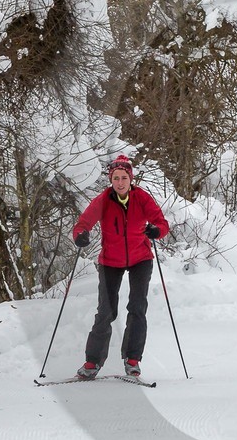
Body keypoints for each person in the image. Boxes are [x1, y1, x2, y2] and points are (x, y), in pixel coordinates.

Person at [72, 155, 170, 379]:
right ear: (111, 180)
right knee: (106, 311)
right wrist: (80, 235)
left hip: (140, 259)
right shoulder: (104, 200)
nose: (120, 182)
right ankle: (92, 362)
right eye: (115, 178)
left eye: (124, 177)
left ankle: (132, 359)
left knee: (137, 308)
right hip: (110, 261)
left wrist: (156, 231)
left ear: (130, 178)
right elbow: (83, 223)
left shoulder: (141, 198)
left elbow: (161, 223)